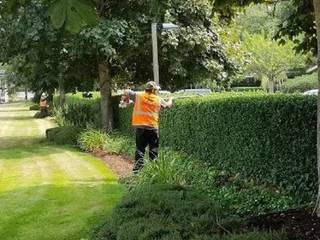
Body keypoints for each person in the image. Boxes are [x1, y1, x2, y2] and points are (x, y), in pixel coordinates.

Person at [123, 81, 173, 173]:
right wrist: (171, 99)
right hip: (153, 128)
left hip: (141, 128)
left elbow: (126, 91)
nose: (157, 91)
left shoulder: (138, 95)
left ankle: (137, 171)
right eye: (156, 90)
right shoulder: (158, 99)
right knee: (153, 150)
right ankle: (154, 171)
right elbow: (168, 105)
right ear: (153, 89)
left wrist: (126, 100)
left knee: (140, 149)